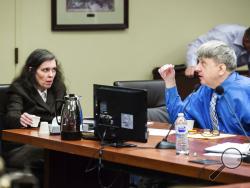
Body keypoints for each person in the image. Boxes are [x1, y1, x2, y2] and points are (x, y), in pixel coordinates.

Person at [159, 40, 250, 136]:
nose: (197, 68)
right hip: (210, 148)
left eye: (203, 63)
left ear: (221, 69)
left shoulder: (245, 90)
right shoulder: (203, 90)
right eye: (198, 62)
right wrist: (170, 82)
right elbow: (180, 120)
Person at [3, 49, 67, 184]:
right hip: (23, 147)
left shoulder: (59, 88)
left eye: (53, 70)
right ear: (32, 70)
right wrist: (20, 119)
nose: (51, 75)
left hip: (53, 143)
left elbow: (64, 115)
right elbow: (11, 116)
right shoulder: (19, 89)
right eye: (45, 70)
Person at [185, 24, 250, 77]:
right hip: (204, 72)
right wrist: (191, 65)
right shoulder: (223, 34)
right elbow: (196, 45)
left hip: (227, 74)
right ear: (246, 41)